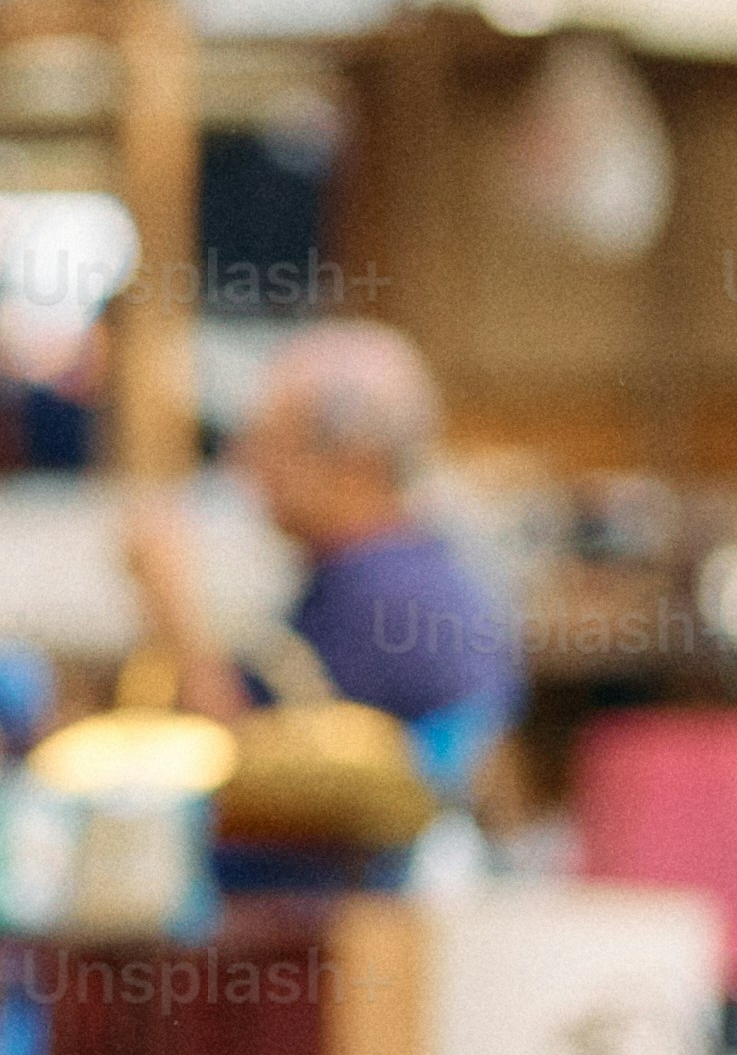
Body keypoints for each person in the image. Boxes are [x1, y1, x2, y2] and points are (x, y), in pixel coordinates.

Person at [133, 319, 512, 759]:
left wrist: (171, 611)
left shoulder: (383, 598)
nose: (248, 465)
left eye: (273, 443)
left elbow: (255, 770)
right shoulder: (411, 568)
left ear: (356, 460)